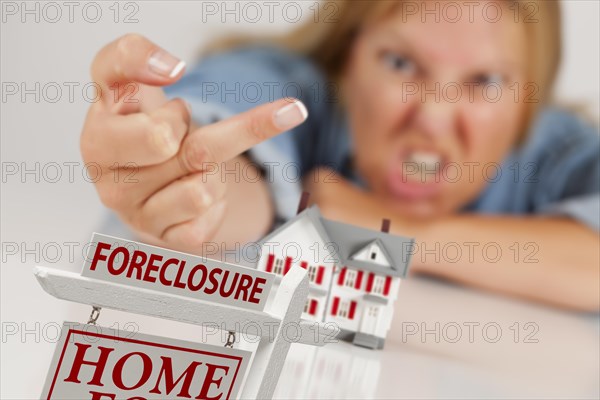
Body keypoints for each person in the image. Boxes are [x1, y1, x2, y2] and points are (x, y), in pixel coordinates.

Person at [81, 0, 599, 311]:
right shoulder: (294, 87)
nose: (435, 118)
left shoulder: (557, 149)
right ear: (346, 56)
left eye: (486, 81)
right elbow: (231, 150)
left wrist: (378, 226)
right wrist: (182, 175)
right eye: (400, 62)